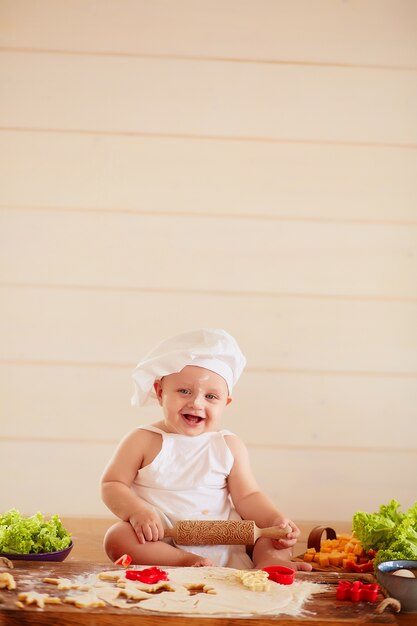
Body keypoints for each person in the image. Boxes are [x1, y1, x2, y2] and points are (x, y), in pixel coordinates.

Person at [101, 328, 312, 571]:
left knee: (275, 537)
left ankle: (269, 565)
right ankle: (184, 562)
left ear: (226, 403)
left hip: (226, 539)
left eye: (211, 396)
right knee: (117, 537)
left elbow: (248, 496)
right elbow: (112, 484)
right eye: (184, 391)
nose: (196, 403)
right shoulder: (143, 440)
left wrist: (275, 520)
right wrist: (137, 511)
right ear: (160, 392)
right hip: (161, 540)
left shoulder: (228, 445)